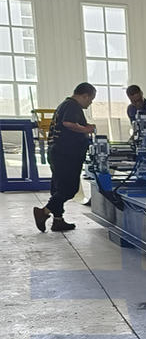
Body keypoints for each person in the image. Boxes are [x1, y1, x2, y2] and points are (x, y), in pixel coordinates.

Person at [33, 82, 98, 233]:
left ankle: (58, 221)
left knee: (59, 188)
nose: (90, 103)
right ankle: (43, 212)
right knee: (69, 189)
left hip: (58, 152)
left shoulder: (65, 105)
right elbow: (68, 123)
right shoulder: (72, 106)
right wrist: (86, 129)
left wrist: (85, 127)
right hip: (66, 154)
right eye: (91, 99)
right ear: (85, 96)